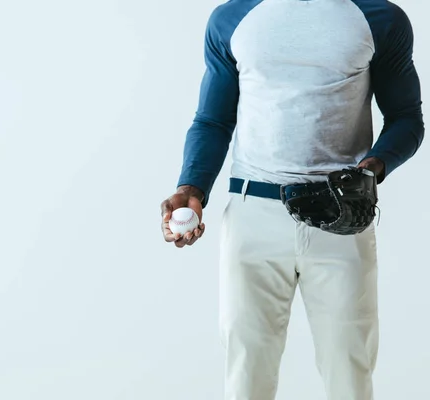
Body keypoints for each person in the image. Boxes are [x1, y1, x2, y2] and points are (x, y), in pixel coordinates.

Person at [159, 1, 424, 399]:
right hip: (254, 217)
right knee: (247, 374)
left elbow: (406, 117)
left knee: (348, 372)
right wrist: (190, 189)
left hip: (341, 215)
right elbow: (213, 120)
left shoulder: (378, 17)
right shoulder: (232, 18)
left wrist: (371, 169)